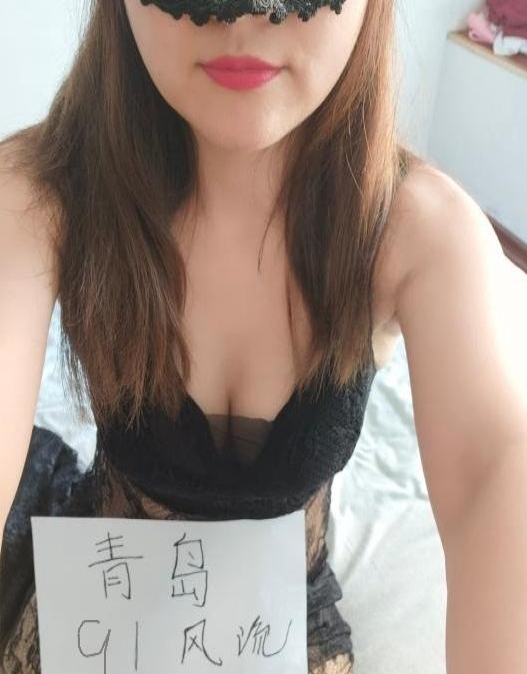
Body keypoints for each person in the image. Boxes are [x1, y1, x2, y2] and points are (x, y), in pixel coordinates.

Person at [1, 1, 526, 673]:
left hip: (276, 627)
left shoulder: (415, 232)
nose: (242, 21)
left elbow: (492, 466)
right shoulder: (42, 195)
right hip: (102, 602)